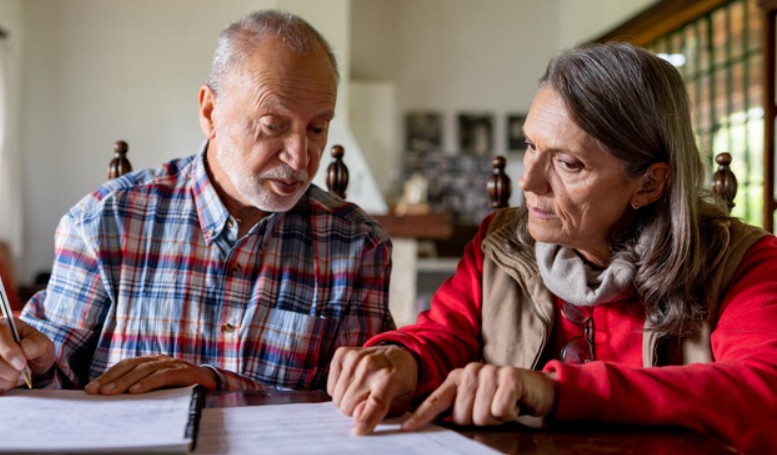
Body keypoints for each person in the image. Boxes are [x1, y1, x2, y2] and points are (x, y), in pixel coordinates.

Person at [328, 42, 777, 454]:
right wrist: (400, 360)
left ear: (650, 182)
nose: (528, 181)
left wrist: (559, 391)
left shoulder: (742, 264)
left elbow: (766, 391)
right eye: (530, 146)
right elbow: (444, 335)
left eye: (567, 163)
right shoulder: (500, 246)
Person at [0, 10, 393, 395]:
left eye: (317, 128)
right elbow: (48, 381)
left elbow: (359, 402)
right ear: (210, 112)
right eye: (273, 126)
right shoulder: (105, 222)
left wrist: (214, 383)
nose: (301, 157)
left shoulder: (357, 245)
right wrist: (23, 366)